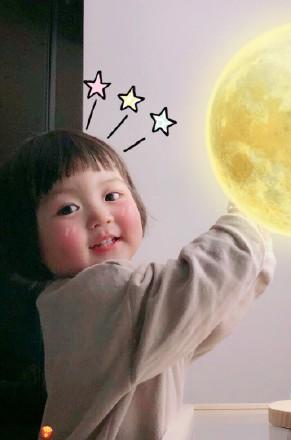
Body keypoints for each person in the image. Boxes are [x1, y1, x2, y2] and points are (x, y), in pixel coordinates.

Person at [0, 129, 276, 439]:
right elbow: (196, 288)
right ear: (29, 238)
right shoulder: (96, 294)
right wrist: (246, 216)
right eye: (68, 209)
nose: (100, 216)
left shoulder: (89, 303)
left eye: (111, 196)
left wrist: (257, 248)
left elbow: (200, 321)